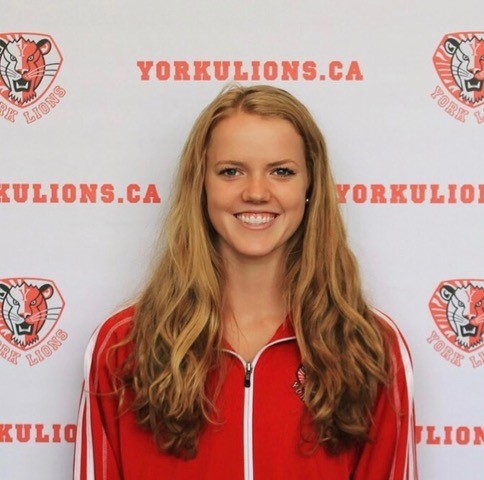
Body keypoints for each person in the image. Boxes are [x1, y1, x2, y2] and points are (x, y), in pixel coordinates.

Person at [74, 85, 417, 480]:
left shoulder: (372, 346)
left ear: (310, 187)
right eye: (231, 171)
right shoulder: (121, 346)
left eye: (281, 171)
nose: (256, 192)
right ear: (200, 184)